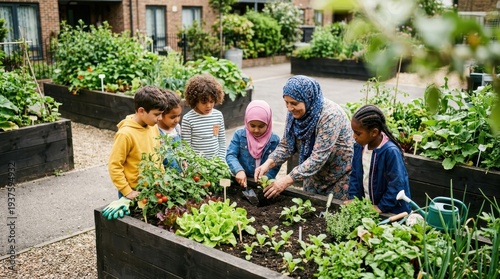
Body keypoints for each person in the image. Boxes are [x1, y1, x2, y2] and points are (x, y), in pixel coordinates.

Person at [254, 75, 354, 200]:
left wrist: (285, 181)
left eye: (294, 103)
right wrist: (267, 164)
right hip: (312, 176)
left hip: (337, 177)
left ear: (307, 99)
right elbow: (287, 145)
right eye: (286, 102)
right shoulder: (294, 112)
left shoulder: (330, 116)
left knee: (333, 214)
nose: (289, 108)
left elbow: (318, 158)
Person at [347, 104, 411, 214]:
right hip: (370, 209)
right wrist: (354, 198)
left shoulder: (390, 151)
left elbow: (397, 184)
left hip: (392, 212)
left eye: (358, 133)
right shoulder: (360, 146)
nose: (354, 136)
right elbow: (355, 175)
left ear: (374, 132)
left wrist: (381, 207)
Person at [108, 85, 168, 200]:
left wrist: (162, 177)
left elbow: (157, 155)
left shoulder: (153, 127)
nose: (160, 118)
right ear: (141, 111)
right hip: (133, 192)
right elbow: (114, 165)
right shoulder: (125, 134)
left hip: (153, 188)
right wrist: (127, 191)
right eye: (156, 114)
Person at [226, 100, 281, 187]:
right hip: (242, 180)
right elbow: (231, 155)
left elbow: (276, 163)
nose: (256, 130)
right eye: (252, 125)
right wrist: (238, 170)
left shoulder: (274, 140)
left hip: (264, 183)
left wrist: (266, 178)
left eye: (261, 126)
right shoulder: (239, 135)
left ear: (268, 122)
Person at [181, 74, 226, 160]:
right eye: (204, 102)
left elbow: (222, 142)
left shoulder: (218, 115)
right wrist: (195, 165)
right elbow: (186, 147)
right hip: (198, 166)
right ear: (195, 100)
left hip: (216, 163)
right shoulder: (188, 119)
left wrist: (220, 160)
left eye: (211, 101)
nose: (208, 106)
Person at [158, 89, 182, 171]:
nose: (177, 120)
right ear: (160, 114)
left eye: (179, 115)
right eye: (172, 117)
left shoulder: (177, 128)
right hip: (167, 175)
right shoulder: (157, 132)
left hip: (181, 171)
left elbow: (181, 148)